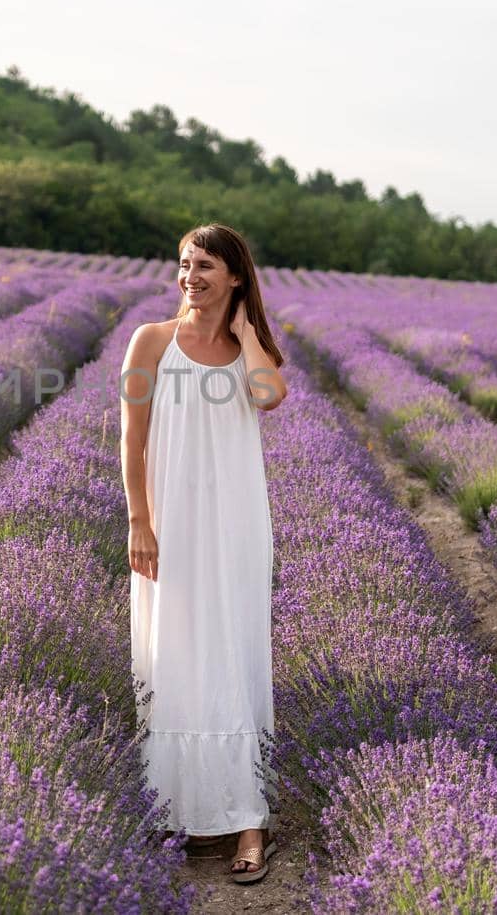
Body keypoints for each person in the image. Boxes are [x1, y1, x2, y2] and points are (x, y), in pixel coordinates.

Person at [119, 223, 288, 886]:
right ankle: (178, 806)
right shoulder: (151, 341)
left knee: (238, 656)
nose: (191, 276)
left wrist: (245, 334)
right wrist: (140, 520)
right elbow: (130, 440)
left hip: (237, 526)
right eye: (186, 264)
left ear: (236, 277)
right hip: (172, 526)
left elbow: (269, 396)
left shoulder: (252, 351)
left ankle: (249, 815)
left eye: (207, 267)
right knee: (175, 653)